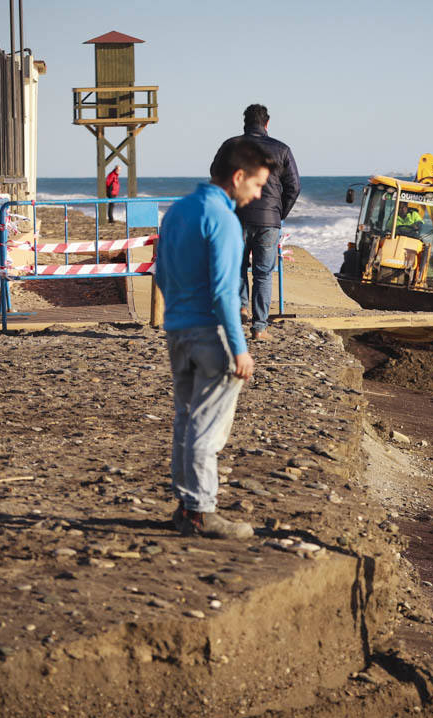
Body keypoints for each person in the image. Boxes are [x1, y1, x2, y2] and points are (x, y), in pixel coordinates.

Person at [152, 138, 276, 539]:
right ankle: (202, 510)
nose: (258, 194)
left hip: (178, 329)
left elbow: (161, 275)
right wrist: (241, 349)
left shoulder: (177, 212)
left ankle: (186, 507)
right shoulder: (222, 220)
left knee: (186, 419)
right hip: (212, 334)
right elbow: (225, 292)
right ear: (238, 177)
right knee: (208, 426)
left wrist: (179, 314)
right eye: (257, 185)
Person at [222, 104, 300, 342]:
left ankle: (240, 308)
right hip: (269, 221)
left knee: (237, 267)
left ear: (245, 123)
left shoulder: (231, 146)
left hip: (238, 217)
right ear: (267, 124)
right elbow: (294, 187)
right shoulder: (282, 149)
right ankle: (259, 328)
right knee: (264, 274)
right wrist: (279, 213)